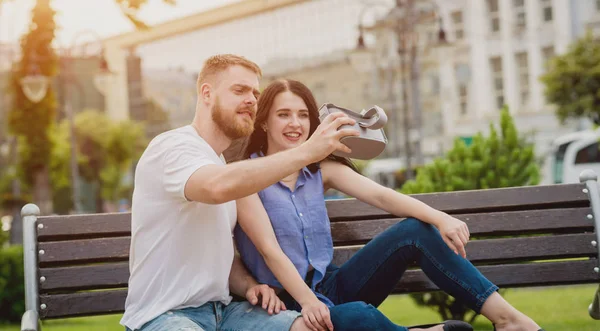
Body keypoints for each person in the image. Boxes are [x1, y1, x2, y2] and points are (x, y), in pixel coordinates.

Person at [233, 79, 546, 331]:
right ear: (264, 123)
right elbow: (269, 249)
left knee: (413, 231)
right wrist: (309, 303)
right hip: (285, 302)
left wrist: (440, 218)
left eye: (303, 115)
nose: (295, 124)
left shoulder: (320, 170)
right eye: (283, 114)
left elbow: (382, 196)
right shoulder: (247, 177)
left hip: (330, 286)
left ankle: (509, 320)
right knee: (356, 317)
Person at [120, 55, 361, 331]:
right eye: (239, 90)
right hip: (163, 316)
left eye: (255, 93)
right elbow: (217, 187)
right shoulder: (172, 147)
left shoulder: (221, 163)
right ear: (207, 93)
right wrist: (306, 152)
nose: (251, 100)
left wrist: (249, 286)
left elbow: (215, 255)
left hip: (223, 313)